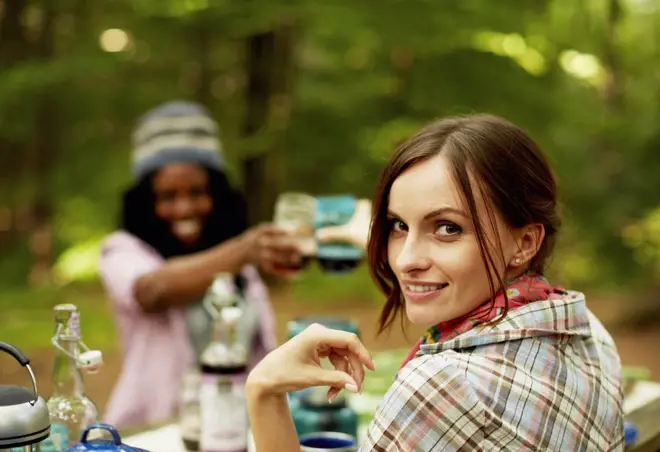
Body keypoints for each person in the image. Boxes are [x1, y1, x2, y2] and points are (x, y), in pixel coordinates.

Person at [245, 114, 625, 451]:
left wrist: (263, 389)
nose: (407, 260)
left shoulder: (443, 386)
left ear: (525, 242)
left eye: (447, 228)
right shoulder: (583, 329)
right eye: (399, 225)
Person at [99, 101, 300, 428]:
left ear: (217, 194)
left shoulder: (235, 257)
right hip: (156, 431)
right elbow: (152, 291)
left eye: (197, 192)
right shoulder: (122, 250)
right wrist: (243, 250)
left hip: (240, 425)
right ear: (146, 202)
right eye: (167, 196)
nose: (184, 208)